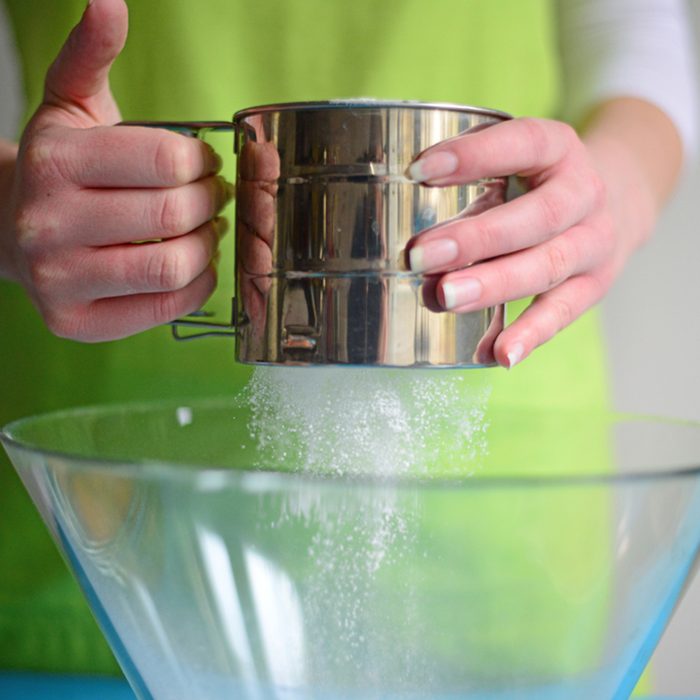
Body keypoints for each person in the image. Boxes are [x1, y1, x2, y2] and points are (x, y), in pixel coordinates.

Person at [0, 0, 695, 686]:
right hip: (112, 562)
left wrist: (607, 196)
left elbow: (635, 37)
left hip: (508, 552)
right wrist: (10, 205)